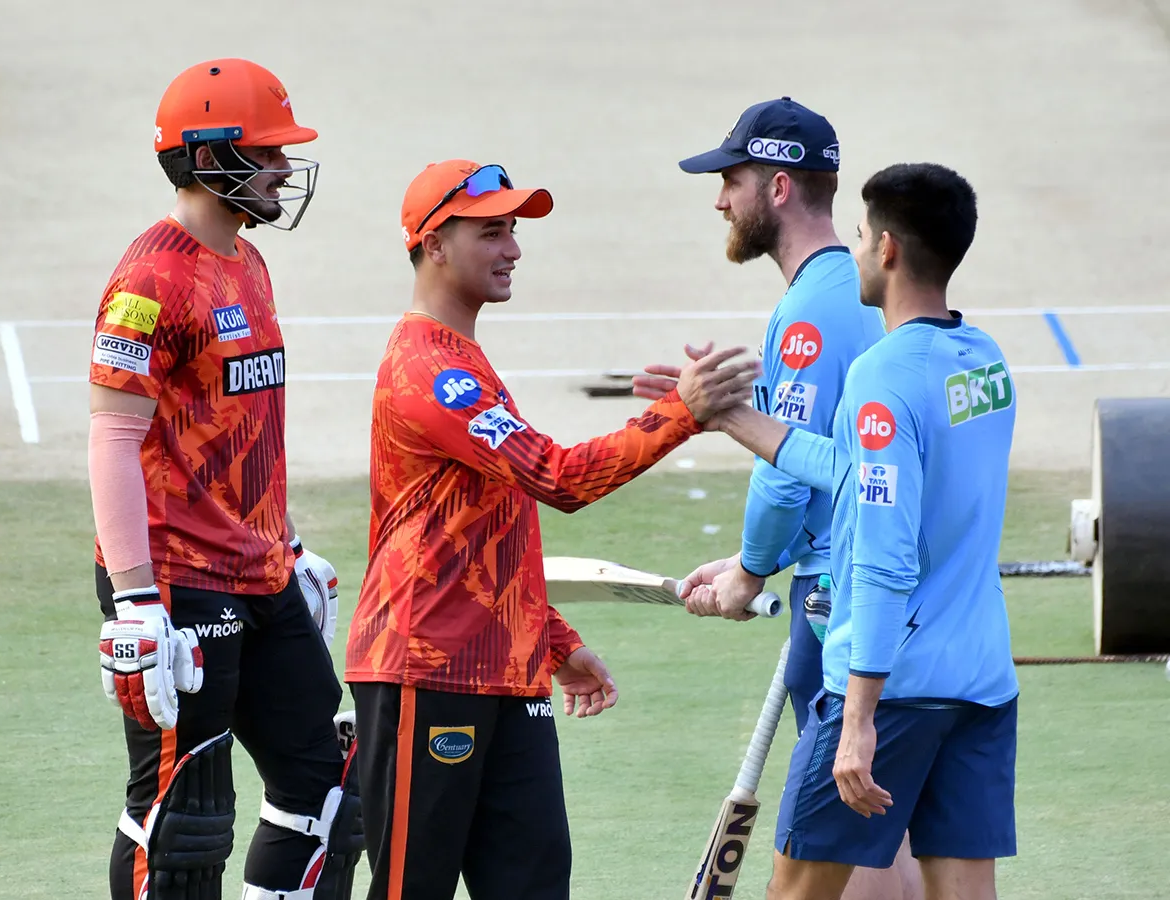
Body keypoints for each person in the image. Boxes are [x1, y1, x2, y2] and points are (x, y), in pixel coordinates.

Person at [343, 159, 761, 900]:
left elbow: (479, 534)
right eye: (492, 230)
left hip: (504, 670)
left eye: (514, 229)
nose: (513, 248)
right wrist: (682, 414)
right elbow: (555, 477)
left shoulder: (464, 362)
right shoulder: (430, 372)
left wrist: (551, 640)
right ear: (434, 244)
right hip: (427, 672)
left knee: (535, 886)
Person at [639, 162, 1019, 900]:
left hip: (894, 684)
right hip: (979, 681)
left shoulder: (881, 378)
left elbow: (881, 561)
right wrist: (729, 416)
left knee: (795, 890)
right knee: (965, 890)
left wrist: (858, 717)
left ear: (886, 250)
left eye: (861, 234)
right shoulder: (985, 365)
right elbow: (853, 467)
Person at [90, 58, 362, 900]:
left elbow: (236, 433)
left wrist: (286, 543)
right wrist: (135, 602)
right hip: (174, 579)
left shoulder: (245, 260)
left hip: (256, 570)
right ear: (211, 161)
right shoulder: (148, 283)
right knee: (186, 814)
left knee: (330, 785)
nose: (286, 166)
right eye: (270, 150)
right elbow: (112, 439)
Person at [671, 98, 919, 900]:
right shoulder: (850, 286)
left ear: (777, 187)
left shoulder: (811, 308)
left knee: (835, 827)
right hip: (863, 570)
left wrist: (749, 570)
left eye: (731, 180)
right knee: (883, 821)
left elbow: (791, 467)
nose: (718, 199)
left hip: (837, 588)